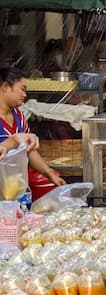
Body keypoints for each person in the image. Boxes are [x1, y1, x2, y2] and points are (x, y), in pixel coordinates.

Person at [0, 67, 66, 200]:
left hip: (15, 190)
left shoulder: (19, 116)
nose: (25, 95)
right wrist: (13, 141)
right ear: (6, 87)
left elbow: (30, 151)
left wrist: (49, 174)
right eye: (22, 89)